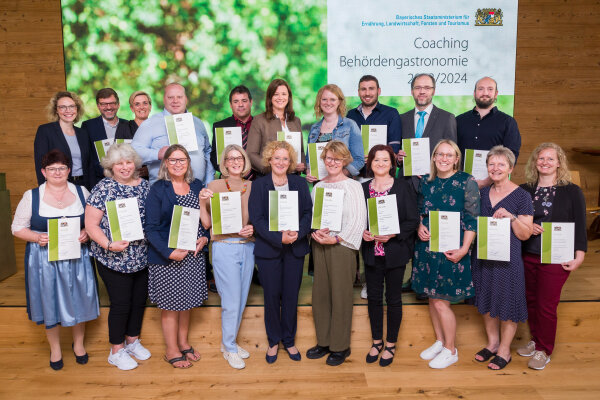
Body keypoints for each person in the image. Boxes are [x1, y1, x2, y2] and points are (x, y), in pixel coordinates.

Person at [12, 150, 99, 370]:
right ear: (43, 172)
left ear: (69, 170)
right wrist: (36, 236)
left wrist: (87, 233)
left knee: (80, 298)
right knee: (48, 302)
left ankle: (78, 345)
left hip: (77, 257)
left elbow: (94, 221)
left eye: (62, 168)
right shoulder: (31, 196)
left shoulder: (82, 192)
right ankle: (55, 349)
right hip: (44, 260)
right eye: (52, 169)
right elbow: (17, 228)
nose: (57, 172)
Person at [517, 143, 587, 370]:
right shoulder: (525, 190)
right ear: (534, 162)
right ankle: (536, 341)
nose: (545, 163)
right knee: (531, 302)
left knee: (547, 305)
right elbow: (517, 220)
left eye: (550, 159)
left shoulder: (572, 191)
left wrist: (580, 254)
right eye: (541, 158)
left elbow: (580, 225)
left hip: (556, 257)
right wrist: (528, 225)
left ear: (559, 163)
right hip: (527, 253)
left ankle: (544, 350)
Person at [411, 140, 480, 369]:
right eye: (440, 154)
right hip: (428, 248)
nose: (444, 158)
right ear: (433, 157)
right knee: (432, 298)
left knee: (442, 302)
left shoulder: (466, 181)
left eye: (449, 155)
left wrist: (464, 250)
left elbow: (472, 220)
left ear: (456, 159)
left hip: (453, 249)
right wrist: (420, 226)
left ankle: (451, 349)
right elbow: (422, 212)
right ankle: (440, 342)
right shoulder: (426, 181)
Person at [84, 143, 151, 371]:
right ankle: (116, 350)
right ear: (110, 166)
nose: (124, 167)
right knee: (121, 304)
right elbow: (91, 225)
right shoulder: (103, 188)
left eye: (128, 162)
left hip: (141, 256)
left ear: (135, 164)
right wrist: (109, 244)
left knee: (138, 302)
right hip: (113, 257)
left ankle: (132, 341)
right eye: (119, 163)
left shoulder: (145, 187)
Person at [145, 144, 210, 369]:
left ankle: (183, 343)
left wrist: (205, 238)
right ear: (165, 163)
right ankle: (171, 349)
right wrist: (169, 252)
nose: (177, 164)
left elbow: (205, 222)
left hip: (192, 256)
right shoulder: (158, 189)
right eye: (172, 160)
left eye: (182, 160)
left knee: (187, 303)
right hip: (167, 259)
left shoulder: (197, 186)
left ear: (189, 163)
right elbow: (151, 229)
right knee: (171, 306)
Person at [248, 141, 312, 364]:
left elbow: (307, 214)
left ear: (290, 162)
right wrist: (279, 238)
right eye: (277, 158)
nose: (281, 162)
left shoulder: (299, 184)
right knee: (272, 296)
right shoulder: (259, 185)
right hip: (269, 251)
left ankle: (289, 339)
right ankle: (274, 340)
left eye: (285, 158)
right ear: (269, 160)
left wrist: (298, 232)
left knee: (291, 296)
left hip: (295, 248)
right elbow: (257, 219)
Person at [472, 145, 533, 370]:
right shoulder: (481, 193)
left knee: (507, 304)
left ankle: (505, 351)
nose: (495, 168)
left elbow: (525, 234)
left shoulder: (521, 196)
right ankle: (493, 343)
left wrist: (511, 217)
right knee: (487, 302)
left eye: (501, 164)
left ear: (510, 168)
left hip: (508, 262)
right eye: (491, 164)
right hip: (484, 258)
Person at [306, 141, 367, 366]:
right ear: (324, 160)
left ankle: (340, 346)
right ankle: (323, 341)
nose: (332, 162)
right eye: (329, 158)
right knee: (320, 294)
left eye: (337, 159)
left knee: (340, 295)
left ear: (345, 161)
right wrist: (316, 232)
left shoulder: (353, 186)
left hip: (342, 246)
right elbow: (314, 217)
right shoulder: (318, 187)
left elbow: (359, 221)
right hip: (320, 244)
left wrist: (337, 238)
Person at [361, 145, 419, 366]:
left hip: (395, 252)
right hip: (371, 253)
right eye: (376, 160)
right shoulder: (364, 189)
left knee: (393, 299)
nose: (381, 164)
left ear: (392, 163)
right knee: (374, 298)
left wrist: (394, 234)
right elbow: (359, 219)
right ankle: (377, 341)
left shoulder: (403, 187)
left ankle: (391, 344)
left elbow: (412, 220)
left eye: (385, 160)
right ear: (370, 163)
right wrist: (363, 233)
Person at [199, 145, 255, 369]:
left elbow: (258, 218)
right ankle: (230, 348)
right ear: (224, 162)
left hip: (248, 247)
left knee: (240, 300)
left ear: (244, 161)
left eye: (239, 157)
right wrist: (203, 201)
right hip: (224, 246)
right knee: (231, 302)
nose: (235, 161)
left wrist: (253, 229)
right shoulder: (213, 185)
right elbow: (206, 223)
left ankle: (228, 342)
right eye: (230, 158)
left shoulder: (253, 186)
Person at [131, 82, 215, 185]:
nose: (175, 101)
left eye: (179, 97)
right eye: (170, 97)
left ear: (186, 99)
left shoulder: (198, 123)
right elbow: (133, 152)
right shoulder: (150, 124)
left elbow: (207, 153)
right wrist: (157, 154)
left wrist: (209, 183)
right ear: (164, 99)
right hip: (164, 193)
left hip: (198, 191)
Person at [456, 77, 522, 188]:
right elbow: (453, 152)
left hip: (495, 186)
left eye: (490, 89)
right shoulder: (459, 120)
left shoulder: (508, 122)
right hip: (461, 185)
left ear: (496, 94)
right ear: (474, 93)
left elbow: (511, 156)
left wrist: (487, 181)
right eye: (481, 89)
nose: (485, 93)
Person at [398, 73, 457, 192]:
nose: (422, 91)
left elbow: (453, 154)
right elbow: (395, 152)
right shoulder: (401, 119)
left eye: (427, 88)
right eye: (418, 88)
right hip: (405, 184)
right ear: (412, 91)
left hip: (436, 184)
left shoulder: (447, 118)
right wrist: (397, 157)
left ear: (433, 91)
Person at [33, 91, 95, 190]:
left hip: (84, 186)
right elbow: (40, 164)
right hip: (58, 186)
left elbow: (90, 165)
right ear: (56, 110)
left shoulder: (83, 133)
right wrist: (44, 190)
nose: (68, 110)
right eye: (62, 107)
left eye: (71, 106)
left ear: (77, 109)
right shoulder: (45, 131)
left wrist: (93, 189)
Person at [246, 79, 305, 176]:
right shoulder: (259, 120)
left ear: (289, 97)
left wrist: (302, 165)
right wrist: (270, 168)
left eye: (284, 94)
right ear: (270, 97)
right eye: (276, 94)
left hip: (293, 178)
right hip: (268, 178)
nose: (280, 97)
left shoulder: (296, 121)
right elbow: (251, 154)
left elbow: (301, 151)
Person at [306, 84, 365, 181]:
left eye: (332, 99)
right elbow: (309, 160)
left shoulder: (350, 125)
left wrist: (339, 175)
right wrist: (308, 172)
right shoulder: (314, 128)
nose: (328, 103)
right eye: (324, 99)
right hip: (319, 183)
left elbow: (359, 160)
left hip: (342, 182)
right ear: (319, 102)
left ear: (339, 102)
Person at [81, 88, 134, 187]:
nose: (108, 107)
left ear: (118, 105)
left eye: (112, 103)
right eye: (104, 104)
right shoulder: (88, 126)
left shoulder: (128, 125)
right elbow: (88, 159)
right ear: (98, 106)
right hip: (99, 182)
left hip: (126, 182)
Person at [346, 75, 402, 153]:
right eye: (363, 89)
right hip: (356, 164)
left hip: (382, 165)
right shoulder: (350, 115)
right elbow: (346, 145)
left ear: (378, 91)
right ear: (358, 92)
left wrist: (375, 158)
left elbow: (394, 148)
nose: (367, 93)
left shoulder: (391, 114)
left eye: (371, 89)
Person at [210, 85, 254, 177]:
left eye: (244, 101)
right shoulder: (220, 127)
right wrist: (231, 171)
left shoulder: (261, 125)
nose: (240, 105)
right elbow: (215, 158)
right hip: (229, 180)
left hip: (257, 180)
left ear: (251, 102)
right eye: (236, 101)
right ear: (230, 105)